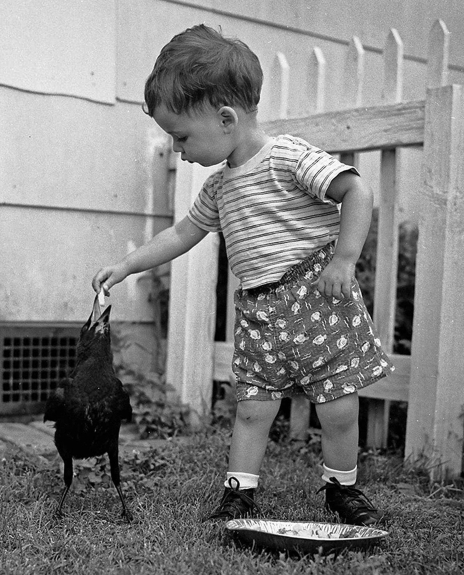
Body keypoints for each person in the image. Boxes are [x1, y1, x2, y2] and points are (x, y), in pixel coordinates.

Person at [92, 24, 394, 526]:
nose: (179, 149)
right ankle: (239, 494)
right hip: (259, 309)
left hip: (316, 298)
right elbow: (183, 233)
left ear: (226, 117)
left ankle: (342, 492)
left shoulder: (288, 157)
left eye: (182, 136)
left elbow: (356, 192)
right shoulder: (219, 188)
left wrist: (344, 260)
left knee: (338, 406)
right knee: (253, 407)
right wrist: (127, 265)